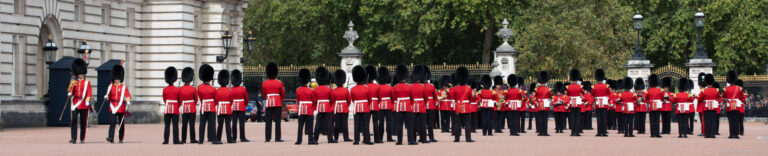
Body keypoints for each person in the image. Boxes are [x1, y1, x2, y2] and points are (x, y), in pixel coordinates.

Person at [105, 64, 132, 144]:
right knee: (112, 123)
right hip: (112, 106)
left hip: (121, 107)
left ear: (120, 79)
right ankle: (111, 137)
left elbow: (127, 95)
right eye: (115, 78)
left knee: (121, 124)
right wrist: (106, 97)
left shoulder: (124, 87)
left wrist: (128, 100)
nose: (117, 80)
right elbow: (108, 96)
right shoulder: (111, 86)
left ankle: (121, 138)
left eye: (118, 79)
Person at [68, 58, 92, 144]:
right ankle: (73, 138)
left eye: (81, 73)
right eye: (79, 73)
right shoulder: (74, 81)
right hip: (75, 103)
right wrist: (70, 92)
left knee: (83, 122)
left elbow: (89, 92)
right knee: (73, 120)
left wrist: (87, 99)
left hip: (83, 103)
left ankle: (82, 138)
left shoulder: (87, 82)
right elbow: (70, 90)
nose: (80, 75)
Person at [349, 66, 373, 145]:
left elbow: (352, 99)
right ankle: (366, 139)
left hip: (356, 107)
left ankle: (356, 140)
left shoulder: (352, 89)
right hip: (365, 107)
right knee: (366, 124)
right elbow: (370, 100)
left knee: (357, 124)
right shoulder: (367, 88)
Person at [197, 64, 220, 144]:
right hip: (211, 107)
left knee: (202, 124)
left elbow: (200, 97)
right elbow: (216, 100)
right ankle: (214, 139)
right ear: (210, 78)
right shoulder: (213, 89)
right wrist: (214, 104)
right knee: (212, 124)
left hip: (203, 107)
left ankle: (200, 140)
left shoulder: (199, 88)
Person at [262, 62, 285, 142]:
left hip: (268, 102)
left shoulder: (264, 83)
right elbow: (283, 94)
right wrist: (279, 99)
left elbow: (264, 94)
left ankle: (267, 138)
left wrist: (268, 98)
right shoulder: (279, 83)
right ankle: (277, 138)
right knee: (277, 121)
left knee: (268, 121)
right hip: (277, 102)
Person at [392, 64, 415, 145]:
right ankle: (410, 140)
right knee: (409, 125)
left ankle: (399, 141)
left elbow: (394, 98)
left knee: (399, 125)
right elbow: (412, 98)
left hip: (399, 107)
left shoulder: (395, 87)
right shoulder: (409, 87)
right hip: (408, 106)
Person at [451, 66, 474, 142]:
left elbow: (453, 97)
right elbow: (472, 98)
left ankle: (457, 138)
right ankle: (468, 138)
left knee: (457, 123)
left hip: (458, 107)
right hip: (466, 107)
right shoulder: (469, 88)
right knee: (467, 123)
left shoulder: (455, 88)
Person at [312, 67, 335, 143]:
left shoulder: (315, 89)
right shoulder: (328, 89)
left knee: (318, 123)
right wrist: (329, 103)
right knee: (329, 123)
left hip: (320, 107)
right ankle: (330, 139)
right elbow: (332, 99)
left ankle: (315, 139)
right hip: (327, 106)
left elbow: (314, 100)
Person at [295, 69, 317, 145]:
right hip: (309, 109)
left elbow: (298, 99)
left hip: (301, 109)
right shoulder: (311, 91)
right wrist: (313, 108)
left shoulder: (298, 90)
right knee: (310, 126)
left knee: (300, 125)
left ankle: (299, 140)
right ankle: (310, 140)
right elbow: (314, 100)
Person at [331, 69, 352, 142]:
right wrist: (346, 106)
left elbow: (333, 101)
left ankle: (336, 137)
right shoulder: (345, 90)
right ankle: (346, 138)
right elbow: (349, 100)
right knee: (344, 124)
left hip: (337, 108)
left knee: (336, 124)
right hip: (344, 108)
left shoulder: (334, 90)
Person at [178, 67, 198, 144]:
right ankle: (192, 139)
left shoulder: (180, 89)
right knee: (192, 124)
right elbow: (196, 99)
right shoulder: (193, 89)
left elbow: (179, 99)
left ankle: (183, 139)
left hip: (184, 108)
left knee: (184, 125)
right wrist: (193, 104)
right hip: (192, 107)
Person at [229, 69, 250, 142]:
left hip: (234, 107)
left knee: (234, 123)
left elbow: (230, 99)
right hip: (241, 106)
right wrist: (245, 104)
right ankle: (242, 137)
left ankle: (234, 138)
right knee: (242, 123)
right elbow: (246, 99)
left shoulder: (231, 89)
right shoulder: (243, 89)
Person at [723, 70, 745, 139]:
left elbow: (723, 96)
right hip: (737, 106)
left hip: (729, 105)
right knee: (736, 120)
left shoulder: (726, 89)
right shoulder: (738, 89)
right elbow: (743, 97)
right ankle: (736, 134)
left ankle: (731, 134)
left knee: (731, 120)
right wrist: (739, 100)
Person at [376, 66, 396, 142]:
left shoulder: (377, 87)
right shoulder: (390, 87)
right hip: (388, 105)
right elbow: (393, 97)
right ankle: (389, 137)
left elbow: (377, 97)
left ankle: (380, 137)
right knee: (389, 122)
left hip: (380, 105)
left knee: (381, 122)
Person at [160, 66, 179, 144]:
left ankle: (166, 140)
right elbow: (179, 99)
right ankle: (175, 140)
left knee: (167, 126)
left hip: (167, 108)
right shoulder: (177, 89)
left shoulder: (165, 89)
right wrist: (177, 105)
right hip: (175, 108)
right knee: (175, 125)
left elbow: (164, 99)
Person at [364, 66, 383, 143]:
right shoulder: (377, 86)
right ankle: (377, 139)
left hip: (367, 105)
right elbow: (380, 98)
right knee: (375, 123)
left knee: (366, 123)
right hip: (375, 104)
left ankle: (366, 138)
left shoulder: (365, 86)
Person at [214, 70, 234, 143]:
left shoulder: (217, 90)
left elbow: (215, 101)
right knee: (228, 125)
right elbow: (231, 101)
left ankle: (218, 138)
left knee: (220, 125)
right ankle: (229, 139)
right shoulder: (229, 90)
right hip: (228, 109)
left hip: (220, 109)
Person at [699, 74, 721, 138]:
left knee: (707, 121)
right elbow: (720, 98)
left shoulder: (704, 90)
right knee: (713, 121)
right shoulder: (716, 90)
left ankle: (707, 134)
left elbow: (700, 98)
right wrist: (716, 102)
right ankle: (712, 134)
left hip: (706, 107)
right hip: (714, 107)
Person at [592, 69, 611, 137]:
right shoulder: (606, 86)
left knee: (599, 118)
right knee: (604, 118)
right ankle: (604, 132)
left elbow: (592, 94)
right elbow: (609, 93)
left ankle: (599, 132)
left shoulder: (594, 86)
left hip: (598, 103)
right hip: (604, 103)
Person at [565, 69, 584, 136]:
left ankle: (572, 132)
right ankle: (577, 132)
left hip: (571, 103)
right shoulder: (579, 86)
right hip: (578, 103)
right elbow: (583, 93)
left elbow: (567, 94)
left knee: (572, 118)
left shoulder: (568, 87)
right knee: (577, 118)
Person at [534, 71, 552, 136]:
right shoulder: (548, 89)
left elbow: (534, 97)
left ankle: (540, 132)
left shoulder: (537, 89)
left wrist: (536, 102)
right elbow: (550, 96)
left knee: (540, 118)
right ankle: (545, 132)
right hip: (546, 105)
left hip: (539, 104)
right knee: (545, 118)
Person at [424, 66, 439, 142]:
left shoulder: (420, 86)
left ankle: (422, 137)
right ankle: (431, 137)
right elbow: (435, 97)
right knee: (430, 122)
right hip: (430, 104)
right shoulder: (431, 86)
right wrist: (435, 103)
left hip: (422, 105)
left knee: (422, 122)